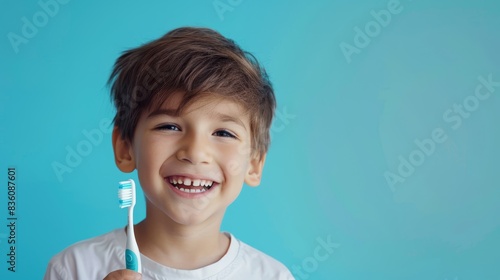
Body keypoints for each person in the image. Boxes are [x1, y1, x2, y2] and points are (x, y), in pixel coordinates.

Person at [44, 26, 294, 280]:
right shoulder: (74, 268)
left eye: (223, 133)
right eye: (169, 127)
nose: (195, 153)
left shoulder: (273, 276)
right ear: (125, 148)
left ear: (254, 163)